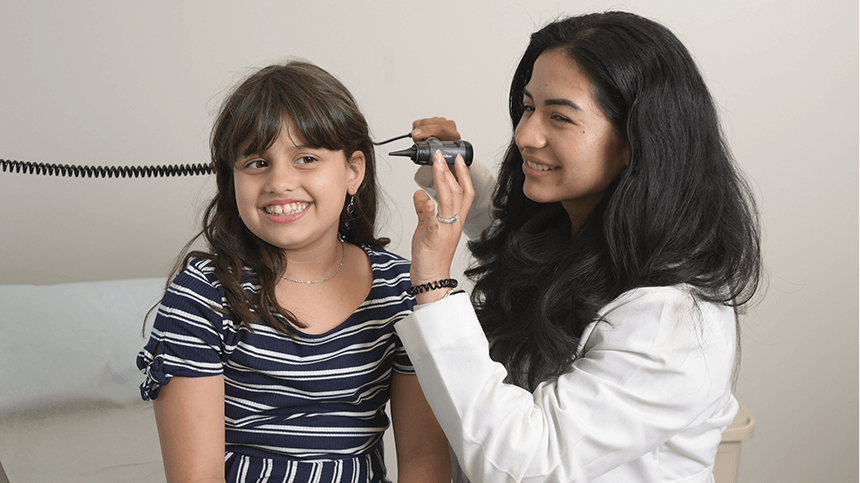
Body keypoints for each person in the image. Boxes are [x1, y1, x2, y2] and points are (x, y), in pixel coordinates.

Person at [398, 11, 762, 483]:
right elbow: (510, 227)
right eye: (528, 107)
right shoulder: (582, 230)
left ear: (637, 140)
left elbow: (526, 465)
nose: (525, 135)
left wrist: (433, 285)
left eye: (560, 117)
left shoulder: (671, 321)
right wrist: (453, 167)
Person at [136, 61, 449, 483]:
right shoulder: (204, 296)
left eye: (306, 158)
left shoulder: (401, 289)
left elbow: (423, 460)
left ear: (353, 171)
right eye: (256, 163)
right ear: (231, 178)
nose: (279, 182)